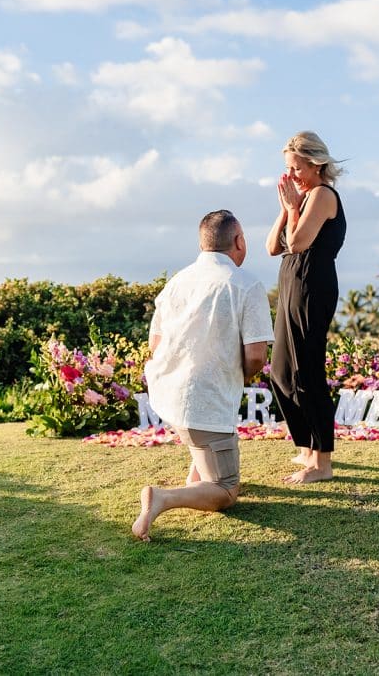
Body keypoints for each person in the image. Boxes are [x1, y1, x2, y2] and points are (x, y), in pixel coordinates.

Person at [132, 210, 274, 542]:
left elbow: (155, 344)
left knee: (204, 443)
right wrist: (236, 375)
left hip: (169, 392)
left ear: (202, 243)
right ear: (239, 241)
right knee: (226, 490)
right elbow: (256, 356)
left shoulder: (176, 282)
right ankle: (162, 498)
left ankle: (196, 479)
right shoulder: (246, 284)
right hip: (204, 400)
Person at [265, 131, 346, 484]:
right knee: (281, 372)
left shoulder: (323, 195)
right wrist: (286, 209)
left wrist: (294, 208)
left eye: (296, 168)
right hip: (290, 282)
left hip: (313, 285)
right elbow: (272, 247)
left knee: (307, 372)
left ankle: (321, 463)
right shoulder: (300, 198)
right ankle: (306, 447)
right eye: (287, 168)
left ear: (316, 164)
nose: (291, 175)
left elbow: (297, 243)